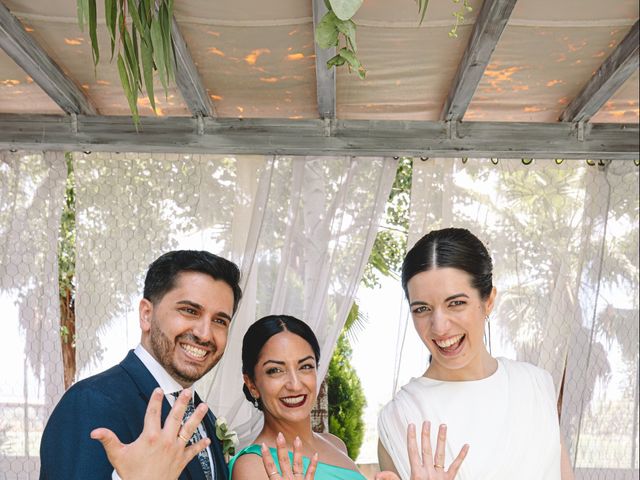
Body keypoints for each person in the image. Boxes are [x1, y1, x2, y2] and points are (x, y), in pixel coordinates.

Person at [377, 228, 575, 480]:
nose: (439, 326)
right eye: (422, 309)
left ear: (488, 301)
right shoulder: (401, 418)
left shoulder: (535, 386)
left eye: (456, 303)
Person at [39, 250, 243, 480]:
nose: (205, 334)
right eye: (190, 311)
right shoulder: (91, 402)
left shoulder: (200, 415)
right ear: (146, 314)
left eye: (219, 321)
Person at [229, 315, 468, 480]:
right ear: (251, 383)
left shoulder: (335, 444)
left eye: (305, 367)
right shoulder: (253, 466)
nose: (294, 383)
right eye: (275, 370)